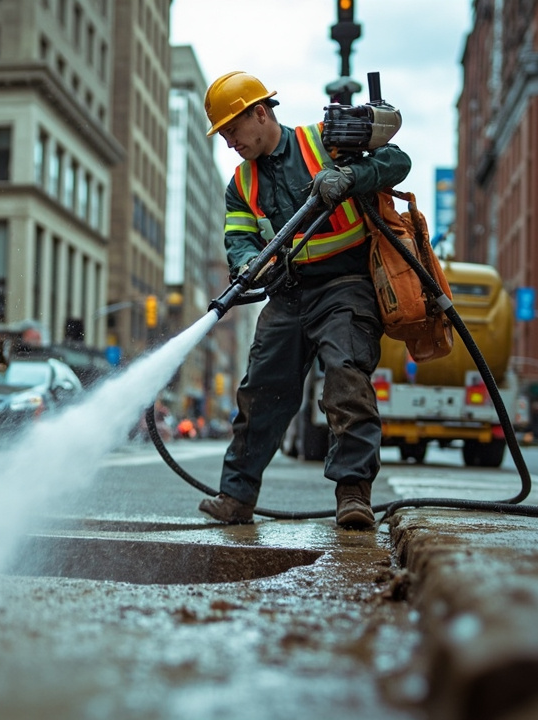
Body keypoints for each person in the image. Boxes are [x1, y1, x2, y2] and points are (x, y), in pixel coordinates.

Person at [196, 71, 411, 529]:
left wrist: (351, 175)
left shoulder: (323, 142)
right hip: (289, 293)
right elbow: (238, 239)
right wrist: (249, 262)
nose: (230, 141)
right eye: (224, 134)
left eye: (233, 129)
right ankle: (236, 498)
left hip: (345, 285)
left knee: (345, 376)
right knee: (260, 393)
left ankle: (354, 495)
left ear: (260, 113)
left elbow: (397, 162)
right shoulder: (241, 183)